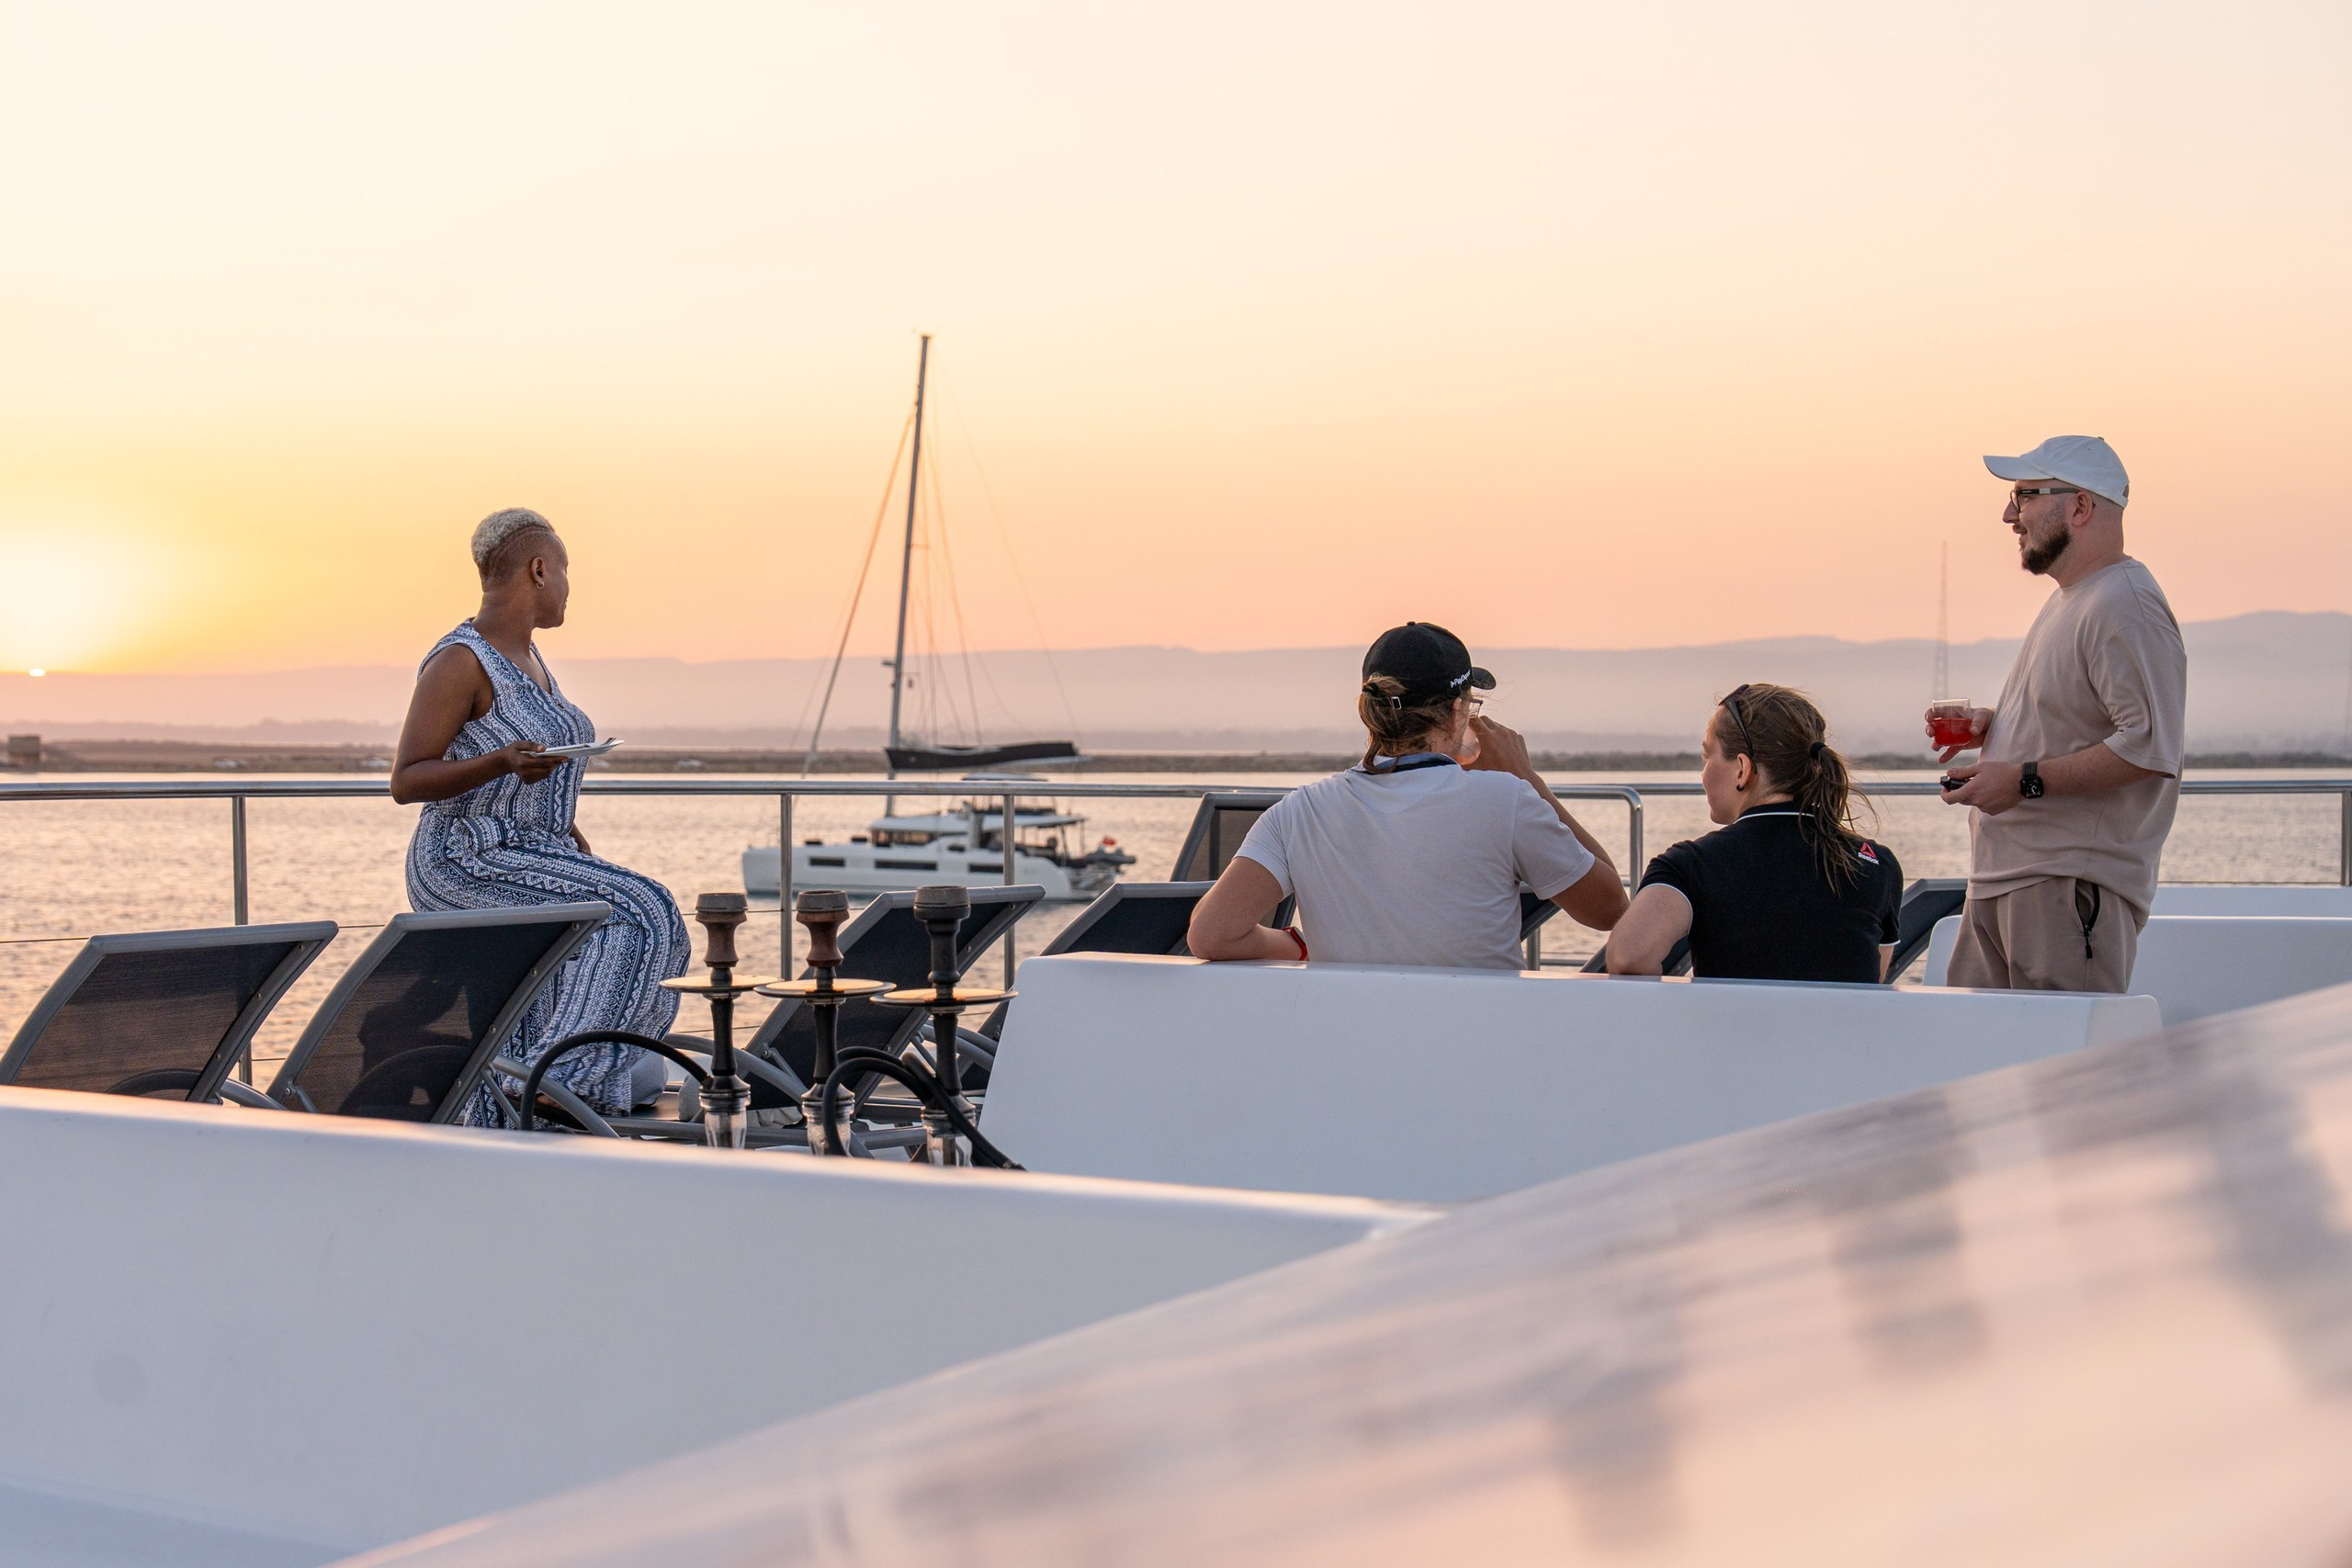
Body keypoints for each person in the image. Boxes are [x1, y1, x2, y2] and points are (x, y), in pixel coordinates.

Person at [391, 508, 691, 1123]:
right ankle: (562, 1083)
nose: (569, 586)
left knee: (553, 993)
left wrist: (570, 834)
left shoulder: (530, 660)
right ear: (538, 569)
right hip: (465, 857)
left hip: (534, 851)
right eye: (566, 570)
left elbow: (532, 779)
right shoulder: (461, 660)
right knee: (642, 910)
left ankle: (511, 1120)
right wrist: (501, 761)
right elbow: (407, 778)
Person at [1188, 622, 1627, 968]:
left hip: (1349, 1046)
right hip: (1478, 1044)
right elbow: (1609, 910)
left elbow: (1211, 934)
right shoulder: (1506, 800)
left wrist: (1300, 947)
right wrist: (1529, 779)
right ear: (1458, 711)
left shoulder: (1300, 811)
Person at [1933, 435, 2186, 992]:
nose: (2009, 516)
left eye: (2024, 496)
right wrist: (1996, 725)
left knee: (2058, 1053)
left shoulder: (2125, 605)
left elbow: (2149, 747)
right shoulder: (2078, 598)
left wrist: (2022, 780)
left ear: (2081, 506)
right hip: (2007, 884)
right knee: (1978, 1050)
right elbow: (2083, 719)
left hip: (2063, 889)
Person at [1607, 683, 1902, 982]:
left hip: (1729, 1016)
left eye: (1707, 756)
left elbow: (1628, 955)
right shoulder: (1877, 865)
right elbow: (1872, 985)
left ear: (1742, 769)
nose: (1703, 772)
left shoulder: (1692, 865)